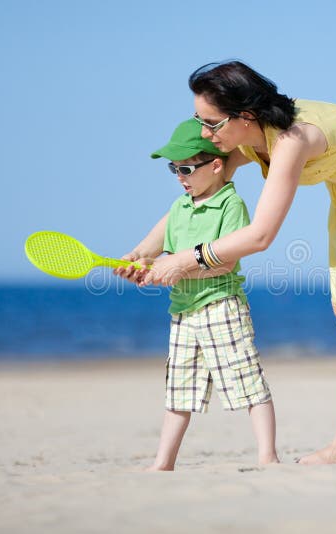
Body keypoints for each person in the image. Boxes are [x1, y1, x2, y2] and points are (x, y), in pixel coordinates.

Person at [120, 61, 336, 465]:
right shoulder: (236, 141)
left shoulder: (291, 140)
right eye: (198, 120)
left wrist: (188, 260)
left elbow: (261, 235)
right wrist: (146, 250)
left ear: (247, 115)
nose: (204, 133)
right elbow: (202, 189)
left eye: (212, 123)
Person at [138, 118, 279, 471]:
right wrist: (138, 264)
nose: (180, 176)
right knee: (178, 392)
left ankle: (268, 456)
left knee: (248, 382)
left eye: (186, 168)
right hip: (183, 311)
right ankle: (163, 463)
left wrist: (178, 268)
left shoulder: (231, 206)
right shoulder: (180, 209)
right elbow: (155, 254)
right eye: (174, 169)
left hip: (221, 305)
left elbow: (224, 264)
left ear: (216, 165)